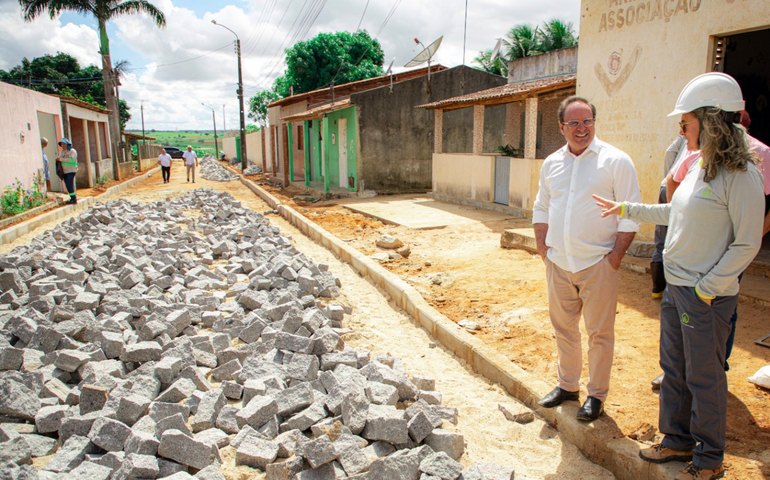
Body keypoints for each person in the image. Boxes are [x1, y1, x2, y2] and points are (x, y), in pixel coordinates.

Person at [593, 72, 764, 480]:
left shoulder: (741, 176)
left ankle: (709, 458)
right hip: (677, 289)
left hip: (704, 296)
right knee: (674, 368)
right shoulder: (699, 166)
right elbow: (675, 213)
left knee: (704, 378)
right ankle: (676, 439)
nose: (681, 128)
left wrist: (707, 289)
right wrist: (625, 209)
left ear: (711, 120)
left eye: (686, 121)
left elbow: (747, 243)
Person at [532, 96, 641, 422]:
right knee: (564, 329)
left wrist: (615, 258)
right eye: (575, 123)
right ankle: (567, 386)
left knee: (600, 334)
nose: (582, 129)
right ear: (562, 126)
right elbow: (541, 206)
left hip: (598, 264)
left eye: (588, 121)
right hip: (559, 263)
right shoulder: (552, 163)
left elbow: (630, 212)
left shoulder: (616, 161)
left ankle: (596, 395)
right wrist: (543, 248)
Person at [57, 137, 78, 204]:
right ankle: (72, 198)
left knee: (69, 184)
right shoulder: (62, 152)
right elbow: (60, 158)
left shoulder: (72, 151)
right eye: (61, 144)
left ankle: (73, 199)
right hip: (65, 171)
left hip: (71, 170)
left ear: (67, 144)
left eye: (64, 144)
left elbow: (72, 160)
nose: (62, 145)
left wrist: (61, 159)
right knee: (67, 185)